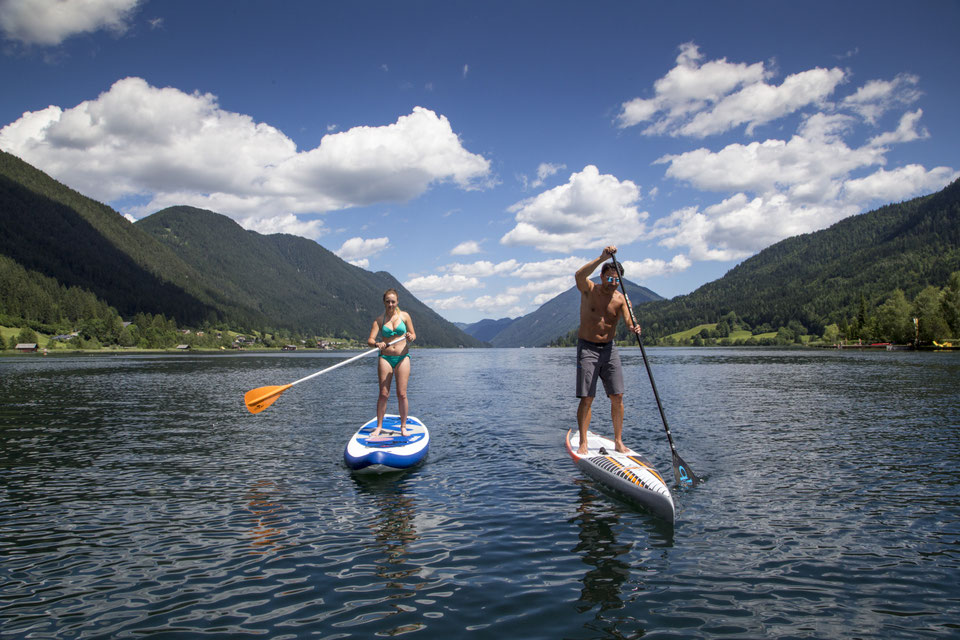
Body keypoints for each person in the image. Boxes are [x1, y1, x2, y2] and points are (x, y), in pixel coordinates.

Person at [574, 246, 642, 455]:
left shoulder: (621, 299)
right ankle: (584, 441)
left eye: (617, 280)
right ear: (602, 276)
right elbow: (579, 274)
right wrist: (601, 258)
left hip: (610, 350)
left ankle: (618, 441)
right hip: (588, 348)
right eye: (610, 278)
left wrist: (634, 326)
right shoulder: (589, 289)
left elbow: (630, 321)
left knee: (617, 396)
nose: (613, 283)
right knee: (587, 397)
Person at [368, 288, 417, 437]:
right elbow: (370, 340)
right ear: (384, 302)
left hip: (403, 357)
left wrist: (410, 337)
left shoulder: (405, 316)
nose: (390, 304)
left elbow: (413, 334)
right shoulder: (379, 320)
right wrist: (377, 344)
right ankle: (379, 426)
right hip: (385, 357)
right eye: (388, 301)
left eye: (393, 301)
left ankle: (403, 426)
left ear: (397, 302)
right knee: (383, 394)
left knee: (402, 394)